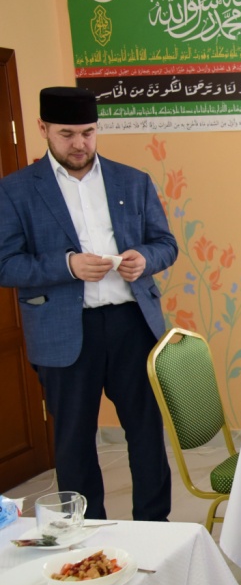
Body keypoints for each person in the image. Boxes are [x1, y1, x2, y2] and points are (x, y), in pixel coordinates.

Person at [0, 87, 177, 520]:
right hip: (63, 330)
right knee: (74, 442)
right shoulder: (16, 190)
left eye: (88, 132)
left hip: (132, 325)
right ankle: (85, 535)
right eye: (67, 134)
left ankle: (155, 527)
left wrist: (145, 260)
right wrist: (68, 265)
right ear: (43, 128)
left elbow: (165, 244)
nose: (79, 144)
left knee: (147, 434)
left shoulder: (132, 180)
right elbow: (6, 264)